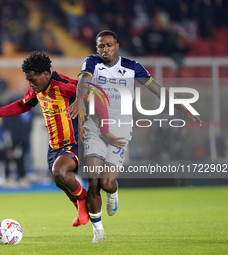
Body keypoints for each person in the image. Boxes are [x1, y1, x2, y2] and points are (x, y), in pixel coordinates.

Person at [67, 30, 202, 243]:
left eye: (109, 45)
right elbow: (84, 80)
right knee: (93, 181)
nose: (104, 50)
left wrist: (183, 107)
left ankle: (113, 191)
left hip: (120, 129)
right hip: (94, 127)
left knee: (106, 183)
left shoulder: (132, 67)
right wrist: (81, 99)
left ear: (117, 46)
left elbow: (157, 90)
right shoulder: (92, 62)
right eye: (101, 46)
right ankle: (98, 231)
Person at [0, 51, 89, 227]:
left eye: (33, 80)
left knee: (61, 172)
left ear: (46, 74)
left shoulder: (63, 84)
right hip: (54, 145)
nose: (31, 84)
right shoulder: (37, 88)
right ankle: (79, 205)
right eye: (28, 80)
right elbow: (22, 105)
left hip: (73, 141)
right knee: (60, 180)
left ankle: (83, 200)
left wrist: (82, 101)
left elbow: (91, 91)